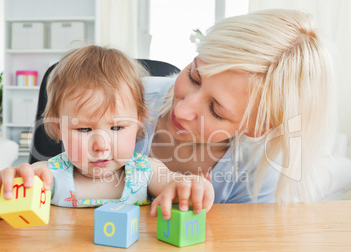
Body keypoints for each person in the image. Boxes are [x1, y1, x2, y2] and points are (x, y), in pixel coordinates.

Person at [0, 45, 214, 220]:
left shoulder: (146, 172)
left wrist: (194, 187)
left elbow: (178, 186)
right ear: (57, 128)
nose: (101, 145)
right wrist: (0, 187)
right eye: (84, 129)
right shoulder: (46, 176)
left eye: (116, 128)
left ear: (138, 123)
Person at [136, 9, 336, 205]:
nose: (180, 111)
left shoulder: (256, 172)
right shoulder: (130, 99)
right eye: (194, 77)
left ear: (258, 128)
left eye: (215, 111)